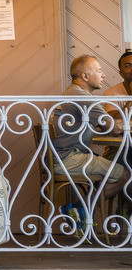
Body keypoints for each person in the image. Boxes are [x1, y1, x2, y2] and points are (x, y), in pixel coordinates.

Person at [47, 54, 132, 211]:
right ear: (85, 76)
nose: (103, 75)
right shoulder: (82, 96)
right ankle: (80, 209)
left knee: (116, 170)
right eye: (99, 71)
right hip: (69, 158)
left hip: (62, 156)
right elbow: (113, 128)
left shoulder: (73, 92)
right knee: (126, 175)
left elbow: (104, 125)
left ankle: (80, 209)